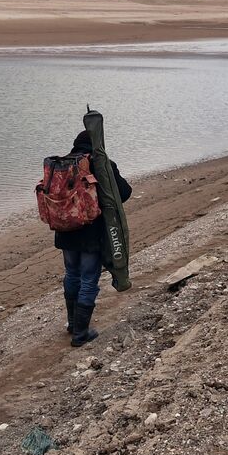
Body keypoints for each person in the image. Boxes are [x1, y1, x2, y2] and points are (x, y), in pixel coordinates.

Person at [54, 131, 132, 347]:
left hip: (65, 230)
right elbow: (124, 193)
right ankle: (81, 333)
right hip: (91, 233)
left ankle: (72, 324)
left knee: (72, 274)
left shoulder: (61, 164)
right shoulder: (100, 163)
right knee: (89, 279)